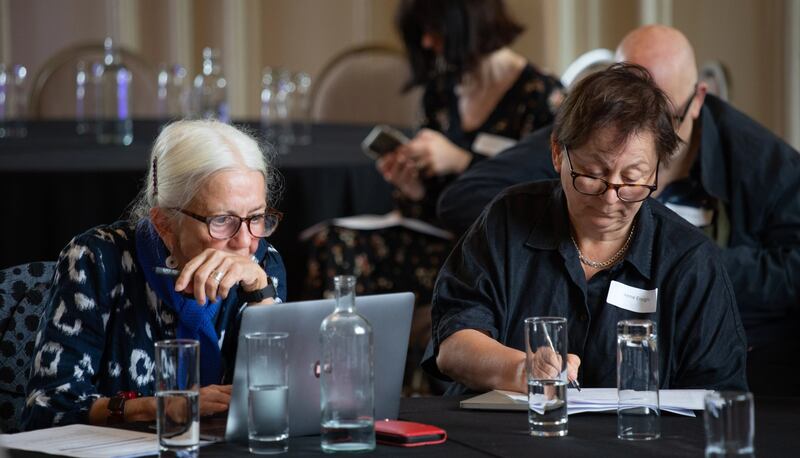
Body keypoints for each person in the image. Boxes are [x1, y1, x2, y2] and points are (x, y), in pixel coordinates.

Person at [436, 25, 800, 394]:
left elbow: (719, 397)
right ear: (558, 153)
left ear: (658, 167)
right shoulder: (505, 219)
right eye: (592, 175)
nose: (611, 198)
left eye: (633, 179)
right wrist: (521, 369)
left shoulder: (690, 261)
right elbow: (453, 343)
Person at [304, 0, 564, 394]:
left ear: (470, 23)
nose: (427, 43)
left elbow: (545, 190)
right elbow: (437, 206)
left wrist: (461, 159)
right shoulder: (442, 92)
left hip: (497, 245)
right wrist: (415, 187)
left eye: (436, 30)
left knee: (372, 259)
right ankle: (338, 388)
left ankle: (385, 385)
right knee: (333, 242)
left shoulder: (542, 96)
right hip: (438, 233)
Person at [21, 120, 287, 430]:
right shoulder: (97, 259)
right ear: (164, 224)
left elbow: (274, 404)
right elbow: (48, 407)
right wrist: (156, 407)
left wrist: (260, 293)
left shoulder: (262, 264)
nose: (244, 241)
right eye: (222, 220)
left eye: (256, 217)